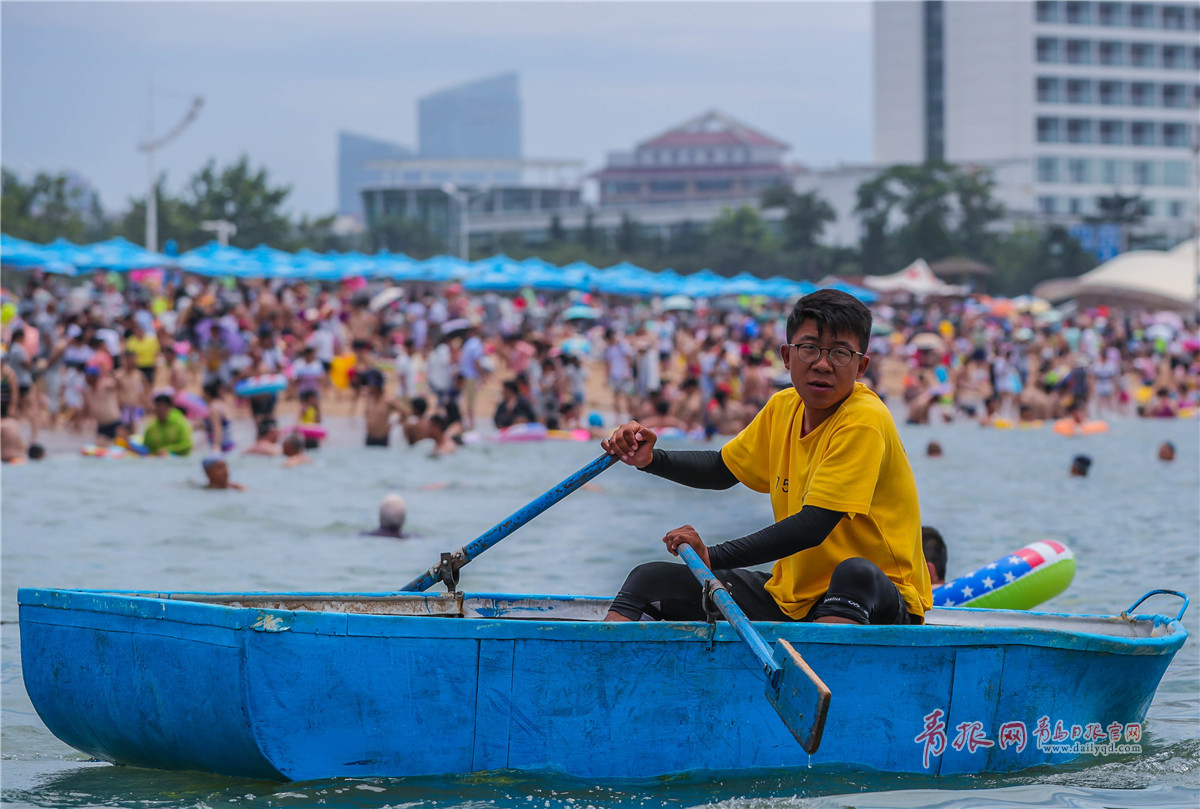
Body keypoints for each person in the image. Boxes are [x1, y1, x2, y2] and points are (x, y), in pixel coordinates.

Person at [601, 289, 931, 626]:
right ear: (787, 357)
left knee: (854, 574)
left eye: (840, 353)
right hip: (793, 600)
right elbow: (722, 469)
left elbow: (814, 525)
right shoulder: (782, 407)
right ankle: (597, 673)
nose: (822, 363)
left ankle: (816, 674)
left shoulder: (864, 419)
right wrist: (650, 459)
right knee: (649, 580)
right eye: (810, 348)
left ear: (861, 366)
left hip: (877, 602)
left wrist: (711, 557)